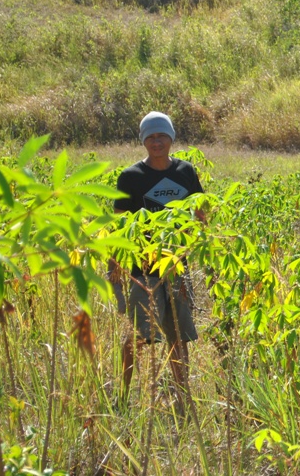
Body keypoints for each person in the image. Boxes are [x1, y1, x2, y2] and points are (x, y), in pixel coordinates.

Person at [110, 111, 205, 414]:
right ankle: (123, 397)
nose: (156, 141)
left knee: (178, 337)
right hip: (143, 271)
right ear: (143, 141)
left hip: (177, 268)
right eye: (150, 136)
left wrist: (191, 241)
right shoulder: (130, 177)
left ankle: (182, 400)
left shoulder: (185, 172)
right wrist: (114, 267)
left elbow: (200, 212)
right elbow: (119, 226)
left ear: (171, 138)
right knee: (139, 337)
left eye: (161, 135)